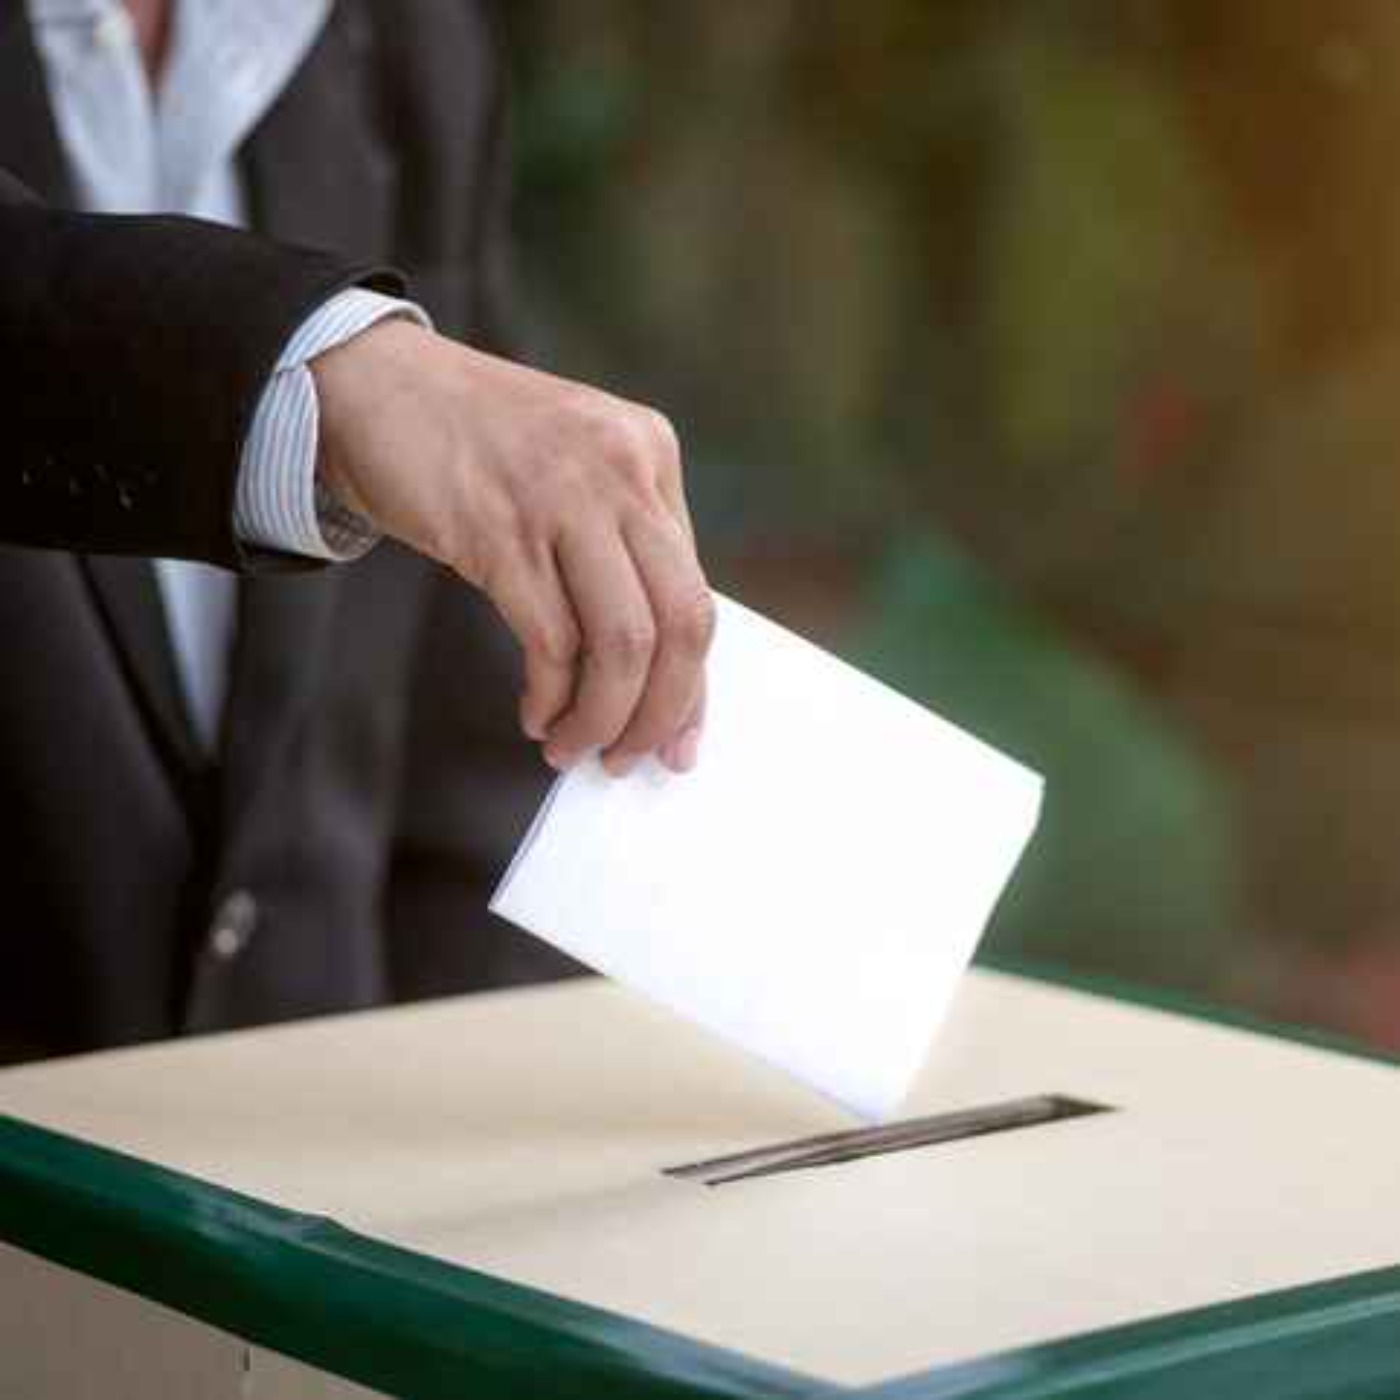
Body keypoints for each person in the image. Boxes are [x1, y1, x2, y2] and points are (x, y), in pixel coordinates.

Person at [0, 0, 714, 1060]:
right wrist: (336, 374)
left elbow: (469, 752)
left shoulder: (402, 36)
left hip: (291, 1167)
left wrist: (461, 1134)